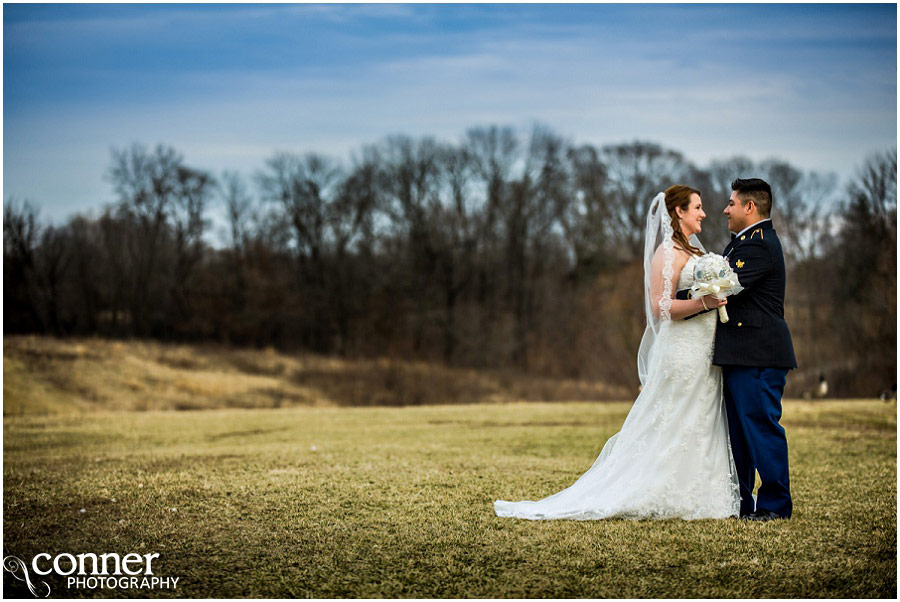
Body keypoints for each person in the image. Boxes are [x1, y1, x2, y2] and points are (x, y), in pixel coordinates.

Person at [493, 185, 740, 520]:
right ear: (679, 212)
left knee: (701, 416)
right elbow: (659, 307)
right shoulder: (666, 253)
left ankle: (698, 493)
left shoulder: (697, 253)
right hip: (680, 349)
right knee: (671, 418)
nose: (704, 213)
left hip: (703, 348)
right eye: (697, 207)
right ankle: (658, 490)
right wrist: (704, 302)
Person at [678, 178, 797, 521]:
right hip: (740, 353)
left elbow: (727, 287)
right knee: (739, 436)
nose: (725, 209)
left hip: (759, 352)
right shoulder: (742, 243)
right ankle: (742, 503)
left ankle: (775, 506)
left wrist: (678, 300)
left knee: (760, 427)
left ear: (750, 207)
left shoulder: (758, 244)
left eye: (731, 203)